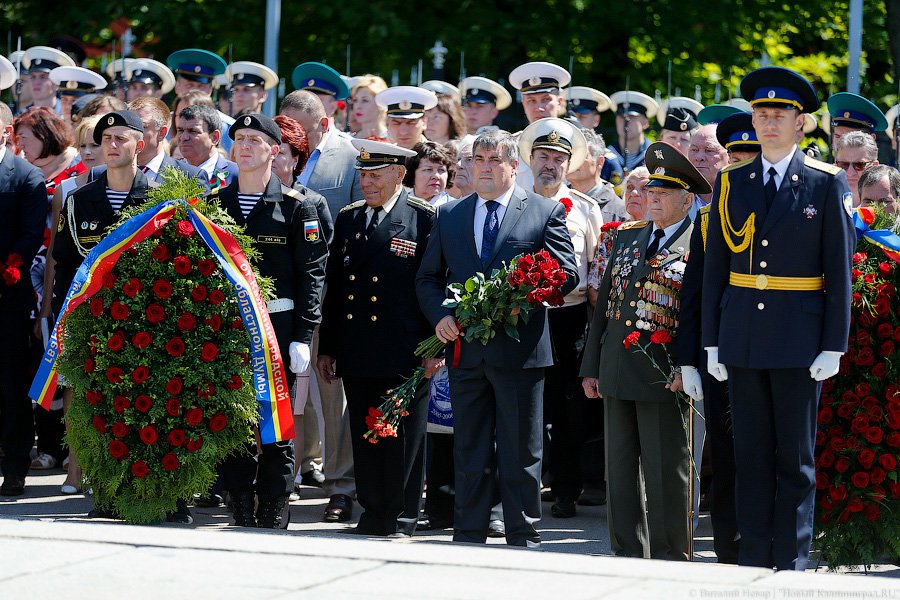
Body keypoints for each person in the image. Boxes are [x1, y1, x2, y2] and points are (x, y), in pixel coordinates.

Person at [702, 66, 854, 571]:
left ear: (801, 124)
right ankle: (752, 554)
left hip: (799, 337)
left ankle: (790, 559)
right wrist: (712, 342)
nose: (769, 123)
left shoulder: (824, 183)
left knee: (795, 459)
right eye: (762, 114)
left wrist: (834, 343)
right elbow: (716, 271)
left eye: (780, 115)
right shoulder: (731, 181)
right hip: (742, 333)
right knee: (750, 455)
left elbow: (839, 270)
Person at [416, 129, 578, 548]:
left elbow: (567, 273)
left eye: (493, 161)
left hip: (520, 352)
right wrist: (442, 317)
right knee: (468, 446)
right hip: (466, 349)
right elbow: (429, 278)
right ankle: (468, 530)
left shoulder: (543, 211)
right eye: (477, 161)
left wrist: (520, 295)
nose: (484, 169)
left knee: (521, 450)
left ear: (512, 167)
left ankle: (522, 530)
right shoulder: (450, 214)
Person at [581, 141, 709, 560]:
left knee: (666, 470)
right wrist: (592, 367)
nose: (652, 199)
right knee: (618, 471)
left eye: (663, 193)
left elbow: (697, 312)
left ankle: (673, 555)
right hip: (617, 367)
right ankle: (626, 551)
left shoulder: (700, 241)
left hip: (665, 372)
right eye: (650, 191)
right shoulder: (628, 237)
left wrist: (688, 366)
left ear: (686, 198)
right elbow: (606, 310)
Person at [217, 113, 330, 528]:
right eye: (239, 139)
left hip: (278, 329)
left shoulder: (300, 206)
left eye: (255, 139)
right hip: (229, 330)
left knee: (277, 420)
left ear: (274, 150)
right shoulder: (216, 206)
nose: (245, 146)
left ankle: (274, 502)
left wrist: (303, 335)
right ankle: (240, 499)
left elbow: (312, 275)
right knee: (234, 416)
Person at [318, 139, 433, 537]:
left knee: (403, 436)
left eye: (376, 174)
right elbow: (335, 287)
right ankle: (372, 511)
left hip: (406, 349)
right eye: (362, 175)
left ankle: (400, 516)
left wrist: (435, 347)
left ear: (400, 174)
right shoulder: (350, 219)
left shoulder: (422, 218)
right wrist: (330, 347)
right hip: (358, 344)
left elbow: (435, 287)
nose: (367, 182)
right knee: (365, 434)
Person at [280, 89, 360, 523]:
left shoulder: (349, 157)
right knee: (293, 390)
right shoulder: (279, 155)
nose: (291, 137)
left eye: (300, 131)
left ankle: (341, 485)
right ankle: (287, 473)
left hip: (330, 294)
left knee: (332, 392)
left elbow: (349, 229)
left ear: (323, 124)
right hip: (285, 293)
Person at [517, 118, 603, 519]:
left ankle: (566, 489)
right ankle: (526, 486)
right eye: (543, 156)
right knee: (526, 406)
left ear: (569, 166)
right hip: (523, 315)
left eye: (558, 158)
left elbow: (593, 274)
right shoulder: (514, 201)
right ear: (530, 159)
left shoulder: (586, 210)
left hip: (568, 318)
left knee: (569, 409)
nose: (549, 164)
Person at [272, 114, 332, 491]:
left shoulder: (311, 204)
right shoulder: (236, 197)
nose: (275, 157)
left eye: (283, 151)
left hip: (298, 320)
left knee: (295, 402)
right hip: (254, 319)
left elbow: (318, 268)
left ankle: (286, 477)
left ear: (297, 158)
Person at [0, 103, 48, 497]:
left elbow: (31, 235)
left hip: (7, 295)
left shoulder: (26, 177)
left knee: (11, 383)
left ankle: (15, 465)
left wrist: (8, 270)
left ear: (5, 132)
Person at [126, 96, 209, 186]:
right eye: (127, 127)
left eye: (141, 126)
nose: (130, 133)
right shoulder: (111, 172)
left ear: (162, 132)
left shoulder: (190, 177)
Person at [166, 49, 233, 153]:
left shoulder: (229, 128)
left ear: (210, 90)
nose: (194, 91)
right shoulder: (163, 125)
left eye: (201, 86)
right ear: (177, 86)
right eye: (189, 85)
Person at [565, 86, 625, 189]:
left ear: (596, 120)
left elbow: (614, 198)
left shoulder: (608, 161)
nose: (575, 122)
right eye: (572, 117)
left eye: (582, 117)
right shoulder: (559, 153)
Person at [567, 129, 628, 223]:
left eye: (581, 155)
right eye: (569, 154)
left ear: (600, 162)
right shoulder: (554, 200)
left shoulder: (620, 213)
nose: (572, 160)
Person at [173, 102, 238, 188]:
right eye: (180, 131)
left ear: (214, 137)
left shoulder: (235, 174)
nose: (184, 137)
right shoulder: (169, 173)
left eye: (193, 131)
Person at [608, 91, 658, 174]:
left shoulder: (655, 155)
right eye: (621, 117)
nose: (626, 121)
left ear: (645, 122)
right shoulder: (606, 155)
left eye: (632, 117)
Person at [687, 124, 730, 214]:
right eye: (694, 150)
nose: (699, 157)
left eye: (709, 150)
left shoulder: (740, 198)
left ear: (729, 156)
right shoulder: (675, 198)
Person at [20, 46, 76, 114]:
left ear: (56, 83)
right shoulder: (21, 116)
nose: (36, 82)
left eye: (43, 77)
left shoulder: (68, 115)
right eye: (33, 77)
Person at [834, 130, 879, 208]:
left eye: (859, 165)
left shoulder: (885, 207)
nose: (850, 172)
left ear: (874, 166)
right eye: (844, 165)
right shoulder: (822, 203)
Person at [403, 141, 455, 206]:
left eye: (441, 170)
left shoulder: (455, 208)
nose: (436, 176)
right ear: (412, 174)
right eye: (428, 169)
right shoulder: (399, 207)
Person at [349, 75, 389, 140]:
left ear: (380, 104)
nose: (358, 106)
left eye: (365, 100)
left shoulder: (394, 141)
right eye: (355, 100)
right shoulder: (348, 141)